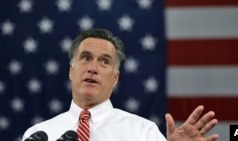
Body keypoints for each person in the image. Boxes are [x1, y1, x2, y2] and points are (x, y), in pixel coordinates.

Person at [22, 28, 219, 141]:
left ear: (115, 78)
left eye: (104, 61)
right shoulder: (38, 135)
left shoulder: (143, 132)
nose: (93, 68)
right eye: (85, 58)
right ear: (71, 71)